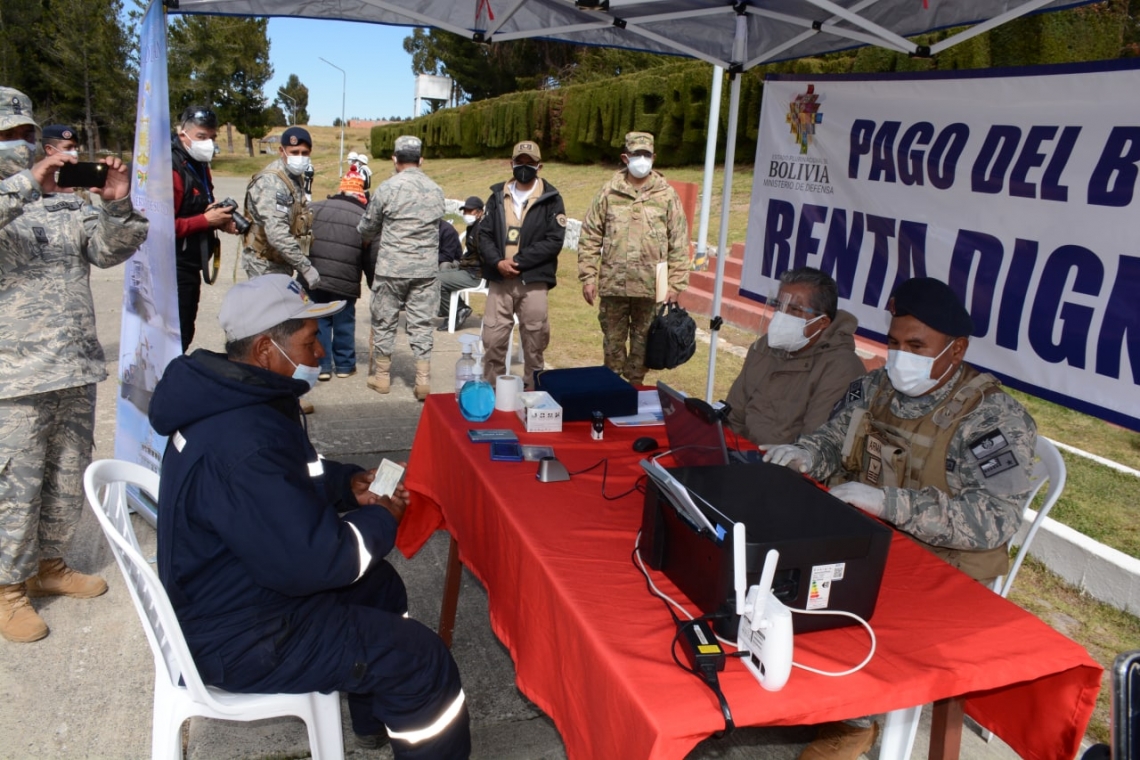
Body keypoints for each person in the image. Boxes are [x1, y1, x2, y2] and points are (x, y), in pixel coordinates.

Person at [148, 275, 470, 757]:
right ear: (263, 349)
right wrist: (382, 517)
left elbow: (289, 480)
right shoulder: (243, 441)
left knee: (382, 588)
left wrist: (344, 484)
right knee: (423, 661)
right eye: (309, 340)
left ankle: (380, 715)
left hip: (234, 592)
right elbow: (319, 563)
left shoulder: (236, 400)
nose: (320, 352)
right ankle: (408, 689)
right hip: (243, 635)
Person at [764, 277, 1037, 759]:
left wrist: (888, 504)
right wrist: (805, 456)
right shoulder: (876, 386)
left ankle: (854, 720)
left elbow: (994, 519)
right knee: (776, 567)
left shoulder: (992, 418)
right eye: (893, 342)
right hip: (873, 543)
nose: (900, 356)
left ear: (956, 351)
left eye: (916, 345)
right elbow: (834, 440)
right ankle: (824, 697)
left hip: (947, 568)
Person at [0, 87, 149, 643]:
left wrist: (115, 203)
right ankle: (6, 588)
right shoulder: (18, 191)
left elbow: (109, 250)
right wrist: (24, 184)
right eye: (6, 136)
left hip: (73, 364)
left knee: (65, 478)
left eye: (25, 134)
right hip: (12, 376)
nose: (19, 145)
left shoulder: (64, 199)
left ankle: (47, 565)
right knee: (13, 485)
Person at [578, 131, 691, 385]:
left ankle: (634, 398)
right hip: (614, 285)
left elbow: (680, 242)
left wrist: (675, 284)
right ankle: (612, 395)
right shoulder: (609, 192)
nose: (642, 159)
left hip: (653, 287)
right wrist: (588, 276)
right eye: (636, 154)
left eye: (646, 155)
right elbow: (590, 235)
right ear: (625, 157)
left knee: (643, 350)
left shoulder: (667, 194)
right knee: (613, 347)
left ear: (654, 157)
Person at [724, 267, 866, 446]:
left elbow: (813, 445)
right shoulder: (764, 347)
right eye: (779, 306)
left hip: (788, 468)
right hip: (743, 457)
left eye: (794, 310)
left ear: (822, 322)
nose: (782, 316)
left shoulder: (841, 368)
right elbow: (733, 416)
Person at [357, 135, 445, 401]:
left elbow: (367, 227)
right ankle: (422, 382)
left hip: (391, 268)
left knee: (384, 321)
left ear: (395, 159)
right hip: (425, 270)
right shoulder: (436, 190)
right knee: (421, 324)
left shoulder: (387, 188)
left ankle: (382, 378)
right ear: (421, 160)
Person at [478, 141, 567, 389]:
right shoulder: (496, 196)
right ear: (511, 163)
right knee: (493, 339)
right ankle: (491, 390)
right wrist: (497, 262)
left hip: (534, 280)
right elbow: (483, 235)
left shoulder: (552, 199)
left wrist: (517, 261)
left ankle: (534, 390)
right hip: (500, 280)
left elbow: (554, 240)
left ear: (540, 166)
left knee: (535, 339)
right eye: (520, 162)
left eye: (530, 163)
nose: (524, 167)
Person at [172, 106, 237, 351]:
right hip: (172, 267)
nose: (208, 143)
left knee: (185, 330)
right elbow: (158, 228)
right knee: (176, 334)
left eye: (212, 137)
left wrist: (219, 219)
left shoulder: (198, 162)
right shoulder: (172, 167)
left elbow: (196, 206)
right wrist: (205, 221)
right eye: (201, 137)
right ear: (183, 135)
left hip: (191, 263)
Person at [308, 171, 376, 381]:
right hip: (345, 280)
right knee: (344, 322)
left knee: (320, 321)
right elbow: (370, 256)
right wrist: (372, 281)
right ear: (361, 195)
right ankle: (345, 366)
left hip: (314, 276)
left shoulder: (314, 208)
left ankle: (323, 366)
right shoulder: (364, 217)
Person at [240, 126, 319, 288]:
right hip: (264, 264)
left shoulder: (294, 178)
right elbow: (277, 233)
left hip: (282, 261)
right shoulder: (271, 182)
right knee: (269, 311)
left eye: (304, 153)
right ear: (282, 151)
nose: (300, 157)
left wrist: (303, 256)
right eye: (294, 152)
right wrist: (305, 266)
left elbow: (301, 222)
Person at [437, 196, 484, 331]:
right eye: (465, 211)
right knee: (435, 275)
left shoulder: (482, 229)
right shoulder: (473, 227)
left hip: (476, 275)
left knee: (436, 279)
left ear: (480, 212)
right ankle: (457, 308)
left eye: (470, 211)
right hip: (468, 269)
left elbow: (484, 256)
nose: (466, 214)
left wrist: (466, 263)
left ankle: (456, 311)